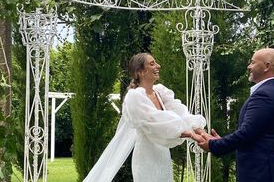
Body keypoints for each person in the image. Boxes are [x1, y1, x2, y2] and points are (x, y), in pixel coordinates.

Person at [83, 53, 206, 182]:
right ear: (140, 72)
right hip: (146, 157)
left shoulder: (160, 92)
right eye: (152, 64)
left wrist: (201, 132)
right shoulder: (134, 97)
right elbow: (158, 122)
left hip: (163, 154)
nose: (158, 66)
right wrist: (191, 135)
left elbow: (182, 114)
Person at [197, 48, 274, 182]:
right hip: (268, 171)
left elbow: (246, 133)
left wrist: (214, 145)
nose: (249, 67)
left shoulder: (264, 95)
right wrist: (268, 149)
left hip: (259, 174)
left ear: (267, 66)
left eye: (253, 62)